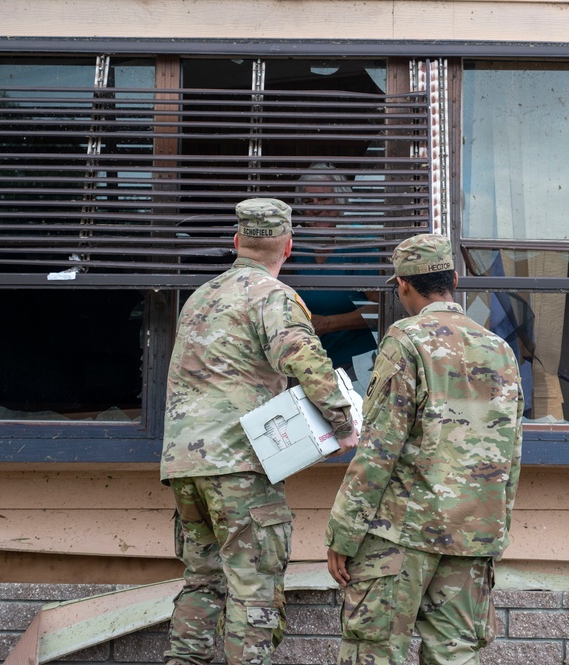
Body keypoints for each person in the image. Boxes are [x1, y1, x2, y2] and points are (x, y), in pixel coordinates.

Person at [160, 197, 359, 665]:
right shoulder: (271, 295)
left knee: (202, 581)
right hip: (239, 464)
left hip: (184, 463)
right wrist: (344, 423)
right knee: (254, 587)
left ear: (236, 242)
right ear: (288, 247)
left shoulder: (201, 296)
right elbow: (303, 357)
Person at [325, 233, 524, 664]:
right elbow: (511, 453)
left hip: (402, 531)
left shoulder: (406, 340)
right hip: (473, 532)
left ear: (403, 286)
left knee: (374, 650)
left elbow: (379, 448)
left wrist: (343, 532)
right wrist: (496, 531)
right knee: (456, 655)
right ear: (453, 278)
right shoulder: (500, 350)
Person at [293, 163, 378, 378]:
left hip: (357, 363)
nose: (316, 208)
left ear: (340, 202)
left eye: (324, 199)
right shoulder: (294, 244)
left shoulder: (360, 243)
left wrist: (328, 324)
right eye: (308, 201)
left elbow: (381, 310)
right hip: (304, 362)